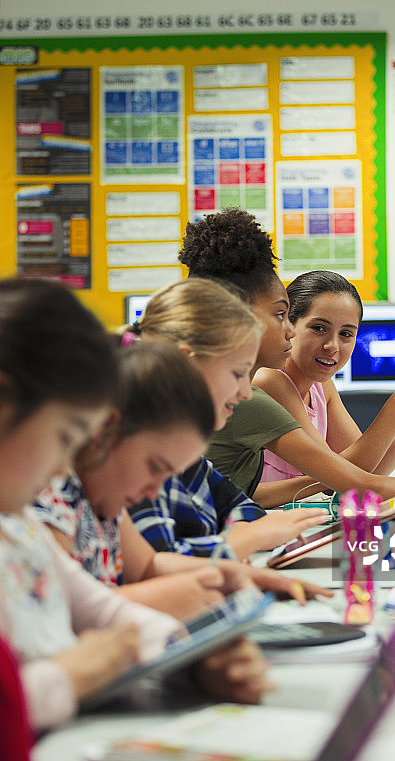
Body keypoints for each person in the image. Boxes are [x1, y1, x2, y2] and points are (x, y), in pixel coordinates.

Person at [0, 278, 272, 733]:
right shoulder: (43, 510)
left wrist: (192, 655)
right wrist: (74, 674)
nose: (64, 469)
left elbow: (106, 613)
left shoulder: (19, 526)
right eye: (66, 438)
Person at [179, 207, 395, 510]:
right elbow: (355, 480)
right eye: (281, 316)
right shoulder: (256, 390)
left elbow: (364, 471)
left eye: (347, 334)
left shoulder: (305, 388)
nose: (289, 331)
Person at [35, 339, 328, 610]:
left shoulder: (105, 505)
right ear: (105, 432)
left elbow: (149, 565)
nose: (154, 491)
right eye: (155, 467)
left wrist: (242, 575)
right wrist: (205, 584)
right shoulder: (52, 511)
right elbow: (80, 609)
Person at [126, 278, 329, 560]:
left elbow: (240, 507)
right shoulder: (135, 453)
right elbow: (157, 563)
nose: (246, 392)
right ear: (190, 362)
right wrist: (242, 542)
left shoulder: (188, 454)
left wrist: (250, 535)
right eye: (237, 374)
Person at [254, 270, 395, 485]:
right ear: (288, 325)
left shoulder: (322, 387)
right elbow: (342, 477)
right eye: (319, 328)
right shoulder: (270, 381)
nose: (332, 346)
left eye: (346, 334)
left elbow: (371, 471)